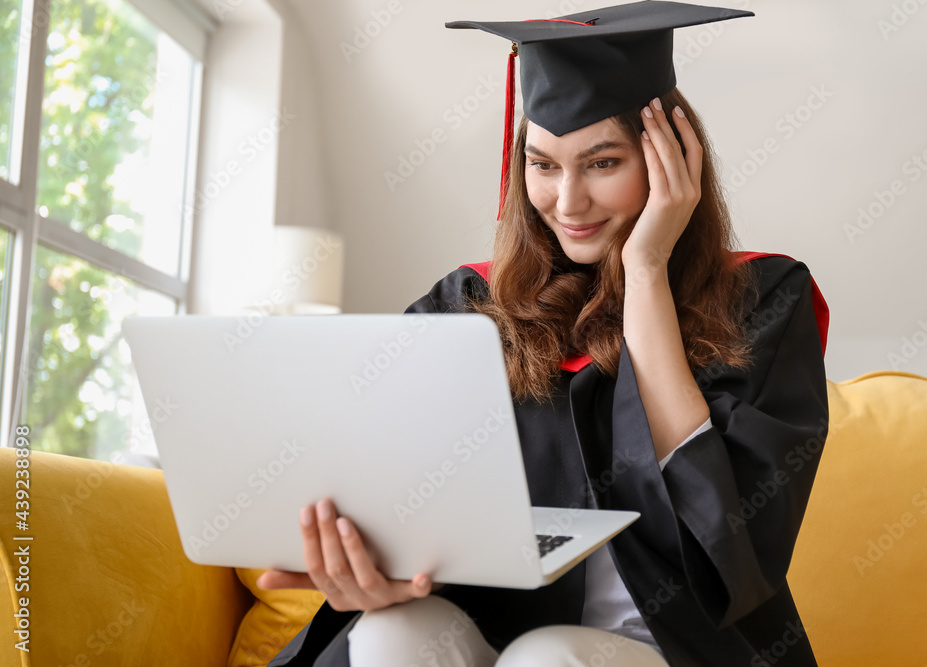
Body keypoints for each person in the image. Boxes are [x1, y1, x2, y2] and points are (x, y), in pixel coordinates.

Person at [261, 1, 830, 665]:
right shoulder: (468, 307)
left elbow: (736, 537)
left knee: (550, 655)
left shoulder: (761, 299)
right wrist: (375, 568)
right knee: (395, 634)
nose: (568, 202)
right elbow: (394, 486)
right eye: (544, 164)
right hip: (498, 636)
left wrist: (646, 271)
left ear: (670, 158)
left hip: (682, 649)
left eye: (602, 163)